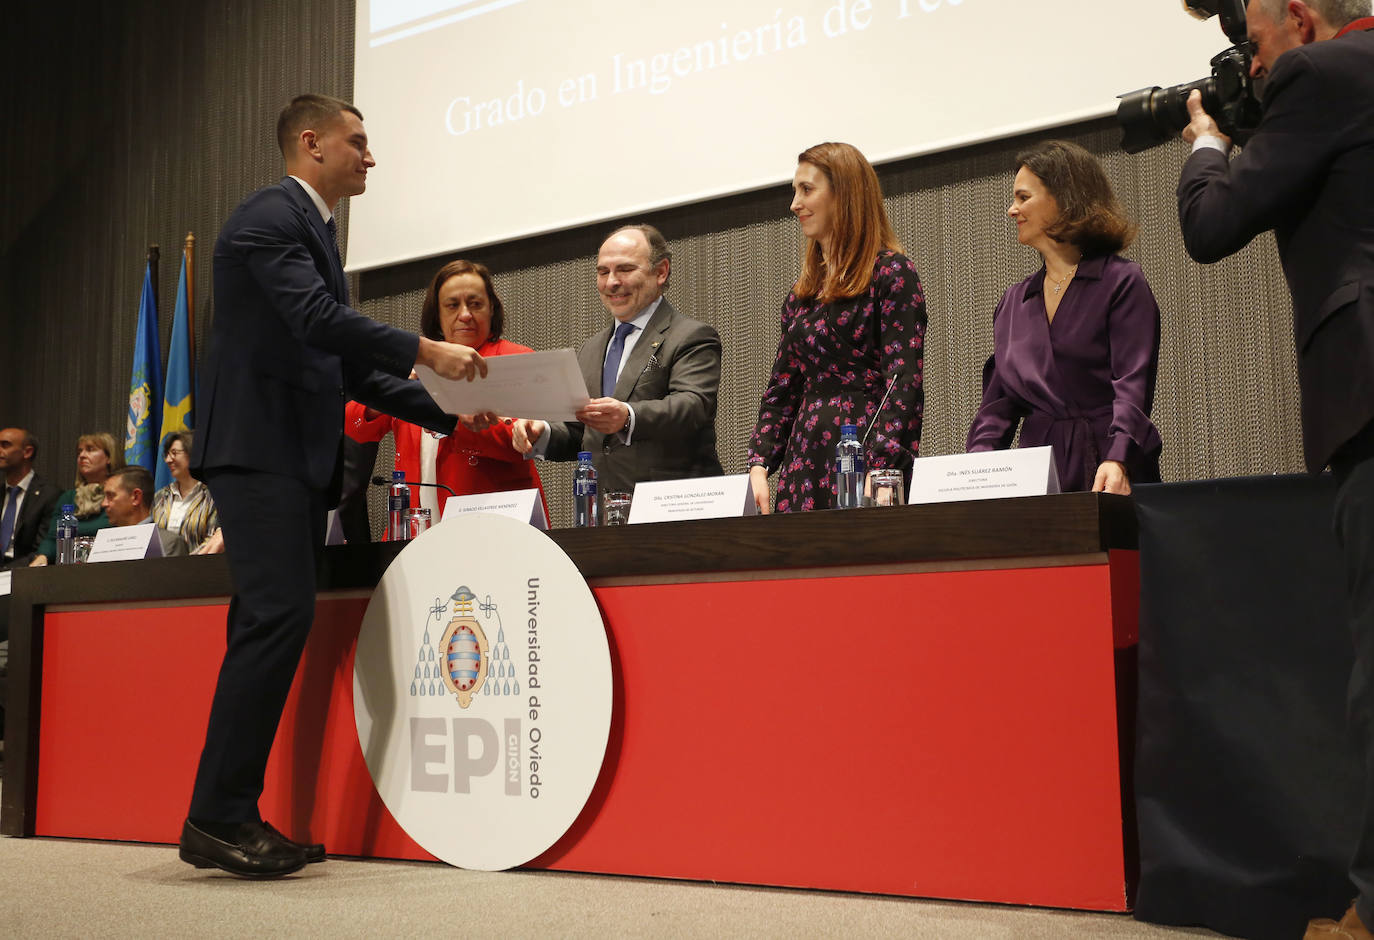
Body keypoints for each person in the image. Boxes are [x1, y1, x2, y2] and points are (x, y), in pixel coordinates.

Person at [181, 93, 486, 879]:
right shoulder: (270, 217)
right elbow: (318, 320)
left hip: (284, 456)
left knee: (269, 620)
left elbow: (348, 369)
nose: (370, 156)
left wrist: (463, 414)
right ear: (310, 144)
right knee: (276, 618)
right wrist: (426, 350)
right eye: (358, 142)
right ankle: (218, 816)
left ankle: (221, 814)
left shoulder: (311, 230)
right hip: (259, 451)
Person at [1174, 1, 1374, 936]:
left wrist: (1208, 140)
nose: (1251, 65)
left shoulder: (1321, 74)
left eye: (1252, 45)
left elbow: (1214, 227)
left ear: (1298, 17)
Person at [966, 140, 1162, 494]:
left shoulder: (1121, 282)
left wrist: (1119, 458)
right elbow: (997, 407)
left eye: (1023, 198)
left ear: (1064, 199)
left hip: (1110, 468)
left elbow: (1133, 385)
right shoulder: (1014, 301)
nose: (1012, 210)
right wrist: (976, 474)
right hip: (1038, 473)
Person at [747, 142, 927, 513]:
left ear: (844, 196)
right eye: (794, 191)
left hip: (865, 458)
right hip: (805, 457)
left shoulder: (891, 274)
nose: (794, 204)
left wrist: (880, 469)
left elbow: (903, 384)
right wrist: (760, 465)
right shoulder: (801, 296)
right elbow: (782, 391)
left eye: (807, 190)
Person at [511, 224, 723, 494]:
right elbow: (583, 433)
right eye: (603, 272)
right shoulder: (590, 349)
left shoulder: (691, 336)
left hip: (675, 509)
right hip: (603, 515)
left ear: (661, 272)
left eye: (624, 269)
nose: (611, 282)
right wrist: (542, 432)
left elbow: (693, 406)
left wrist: (628, 417)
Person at [347, 259, 546, 523]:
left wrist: (443, 409)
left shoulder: (516, 360)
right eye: (453, 305)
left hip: (498, 526)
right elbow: (354, 425)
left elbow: (520, 444)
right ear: (437, 315)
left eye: (475, 304)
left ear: (492, 309)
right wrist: (395, 393)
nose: (465, 314)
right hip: (417, 531)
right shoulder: (417, 364)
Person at [30, 432, 123, 565]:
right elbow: (52, 538)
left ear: (109, 457)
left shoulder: (120, 495)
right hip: (70, 568)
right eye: (79, 452)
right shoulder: (68, 498)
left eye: (90, 450)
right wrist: (42, 557)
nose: (82, 456)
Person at [0, 428, 59, 571]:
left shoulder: (49, 495)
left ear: (27, 452)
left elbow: (42, 549)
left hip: (24, 572)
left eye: (5, 445)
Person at [151, 432, 220, 553]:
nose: (168, 460)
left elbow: (213, 539)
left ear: (192, 454)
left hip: (199, 567)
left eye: (174, 453)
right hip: (160, 568)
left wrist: (185, 564)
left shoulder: (212, 495)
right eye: (167, 454)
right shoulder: (160, 496)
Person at [102, 466, 188, 556]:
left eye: (110, 496)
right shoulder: (104, 543)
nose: (104, 504)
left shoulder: (169, 544)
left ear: (136, 497)